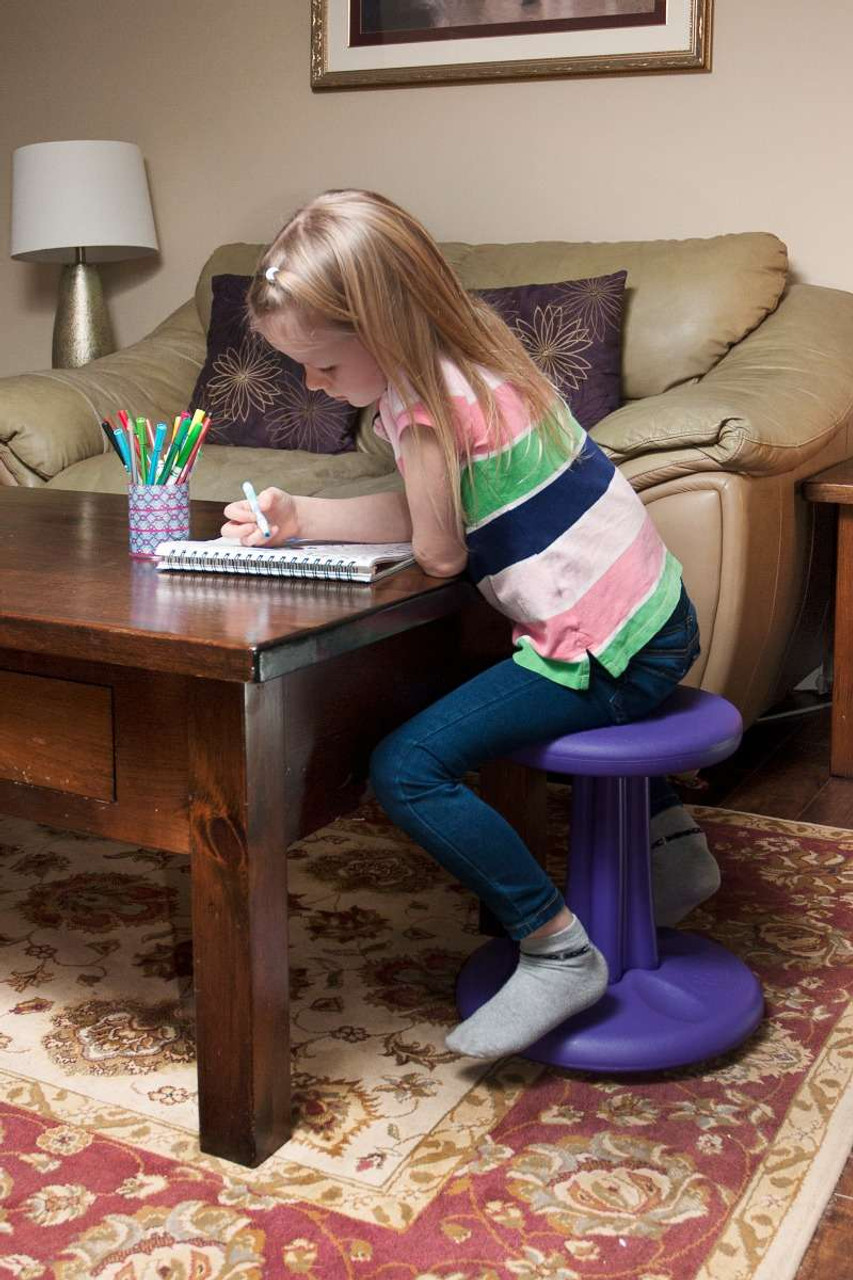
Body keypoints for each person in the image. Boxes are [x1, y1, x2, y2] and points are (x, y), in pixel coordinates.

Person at [221, 189, 721, 1059]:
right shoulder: (480, 358)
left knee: (407, 765)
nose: (313, 385)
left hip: (604, 653)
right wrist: (303, 514)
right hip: (655, 618)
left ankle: (556, 950)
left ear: (382, 328)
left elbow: (438, 549)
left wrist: (324, 521)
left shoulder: (423, 407)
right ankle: (671, 845)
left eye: (323, 365)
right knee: (463, 687)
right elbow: (447, 510)